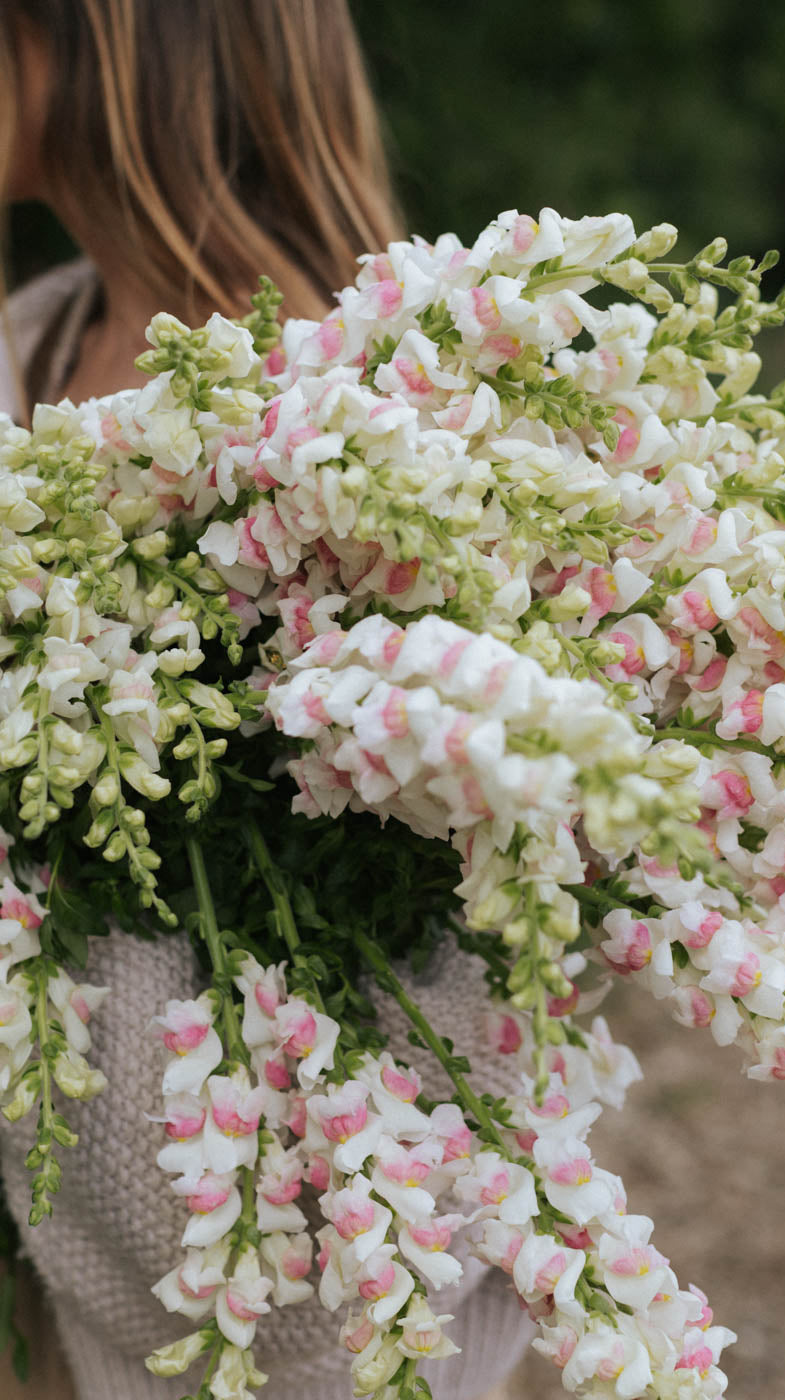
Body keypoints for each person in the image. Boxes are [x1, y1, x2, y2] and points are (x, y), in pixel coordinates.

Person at [0, 5, 535, 1397]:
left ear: (110, 44)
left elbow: (502, 877)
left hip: (326, 1266)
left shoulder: (377, 392)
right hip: (64, 1220)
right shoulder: (31, 346)